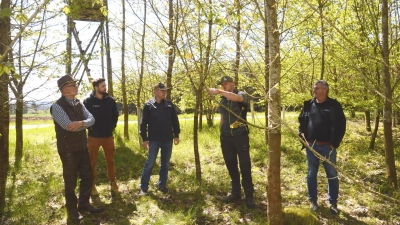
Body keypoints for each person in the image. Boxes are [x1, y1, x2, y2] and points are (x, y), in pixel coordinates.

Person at [50, 75, 101, 223]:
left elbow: (92, 119)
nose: (76, 87)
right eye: (73, 85)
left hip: (82, 147)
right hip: (68, 150)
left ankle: (84, 204)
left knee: (88, 176)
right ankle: (72, 211)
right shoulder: (57, 107)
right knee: (71, 182)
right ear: (65, 89)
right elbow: (69, 126)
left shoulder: (79, 103)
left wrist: (80, 123)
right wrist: (83, 124)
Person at [298, 80, 346, 215]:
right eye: (314, 88)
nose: (314, 91)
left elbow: (341, 125)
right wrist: (303, 138)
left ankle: (333, 203)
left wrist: (334, 143)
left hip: (327, 147)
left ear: (324, 90)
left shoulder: (334, 106)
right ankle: (313, 200)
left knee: (332, 174)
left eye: (316, 89)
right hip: (311, 146)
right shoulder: (308, 105)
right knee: (311, 174)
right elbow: (301, 122)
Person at [207, 76, 255, 209]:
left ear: (232, 84)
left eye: (226, 83)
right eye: (222, 84)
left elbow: (238, 99)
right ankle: (235, 192)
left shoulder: (241, 94)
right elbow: (222, 117)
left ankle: (249, 195)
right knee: (231, 164)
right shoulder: (223, 100)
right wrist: (221, 132)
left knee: (245, 165)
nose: (223, 85)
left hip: (240, 136)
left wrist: (218, 91)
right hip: (226, 137)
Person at [139, 83, 180, 195]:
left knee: (165, 163)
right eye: (162, 90)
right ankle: (143, 187)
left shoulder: (169, 105)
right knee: (150, 162)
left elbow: (175, 121)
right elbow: (143, 124)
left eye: (165, 90)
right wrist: (144, 139)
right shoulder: (148, 106)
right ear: (156, 91)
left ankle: (162, 185)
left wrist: (176, 135)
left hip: (167, 139)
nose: (164, 92)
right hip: (154, 140)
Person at [83, 78, 119, 196]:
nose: (105, 88)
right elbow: (84, 117)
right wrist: (89, 128)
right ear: (96, 88)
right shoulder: (88, 102)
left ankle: (113, 183)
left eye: (105, 85)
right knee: (92, 162)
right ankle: (92, 185)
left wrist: (112, 126)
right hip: (94, 137)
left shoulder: (111, 101)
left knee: (111, 161)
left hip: (108, 136)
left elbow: (115, 115)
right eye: (103, 86)